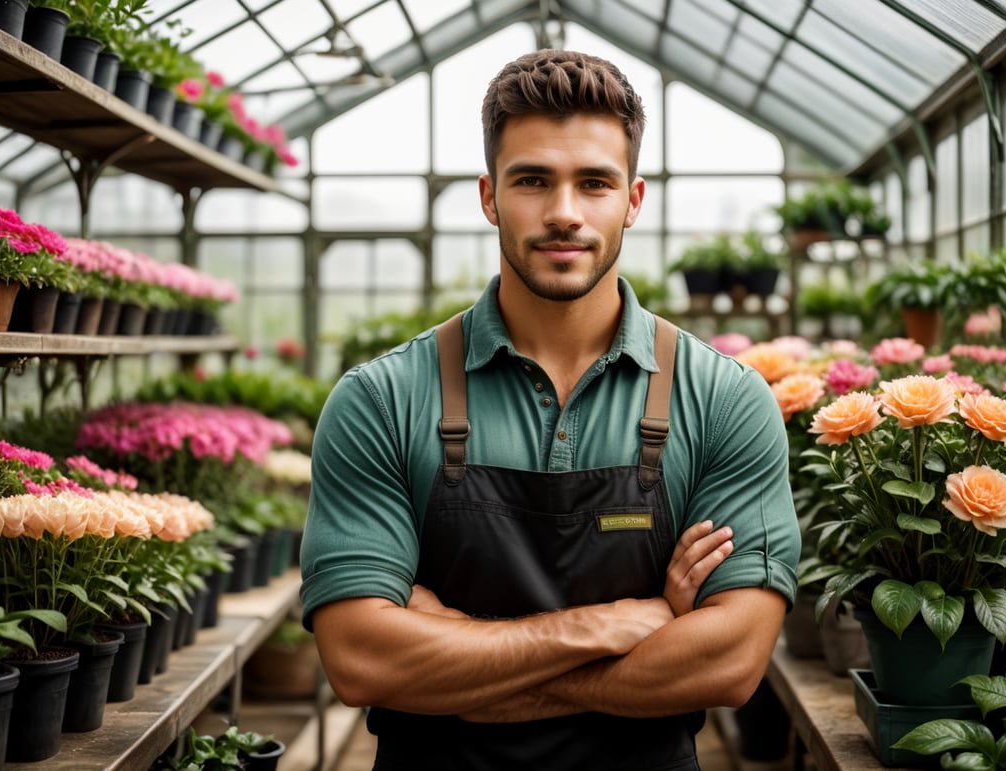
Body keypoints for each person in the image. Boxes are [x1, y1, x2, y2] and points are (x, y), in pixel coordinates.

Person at [300, 49, 801, 770]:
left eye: (593, 182)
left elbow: (729, 663)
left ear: (632, 199)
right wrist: (625, 623)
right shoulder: (382, 399)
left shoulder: (724, 398)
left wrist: (461, 660)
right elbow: (361, 660)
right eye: (532, 179)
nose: (564, 212)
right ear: (489, 196)